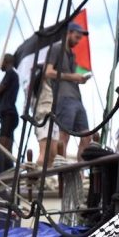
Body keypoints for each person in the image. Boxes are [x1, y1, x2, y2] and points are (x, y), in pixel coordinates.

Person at [44, 21, 93, 160]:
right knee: (64, 136)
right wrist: (72, 76)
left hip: (76, 98)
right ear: (68, 33)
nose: (78, 41)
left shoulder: (72, 55)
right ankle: (62, 172)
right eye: (76, 37)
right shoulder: (56, 49)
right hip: (63, 98)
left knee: (86, 137)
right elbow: (48, 72)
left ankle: (79, 172)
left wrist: (79, 79)